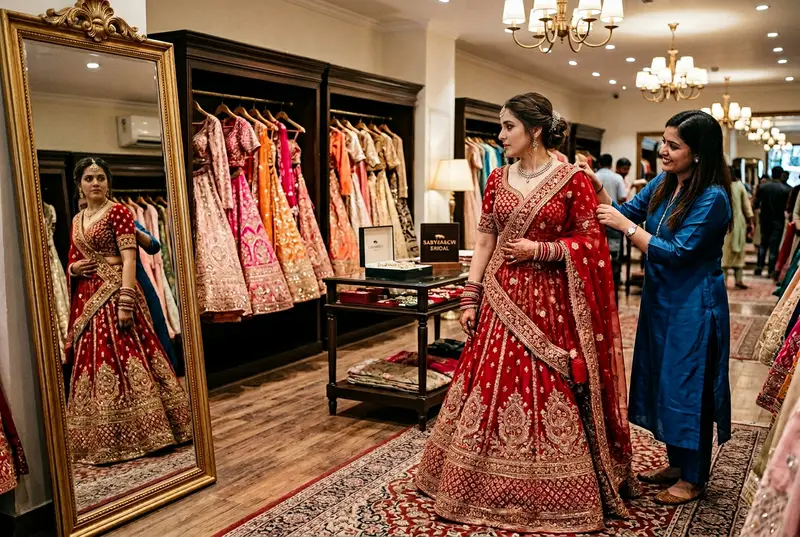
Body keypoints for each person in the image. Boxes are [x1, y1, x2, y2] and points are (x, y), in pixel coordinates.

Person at [416, 92, 637, 533]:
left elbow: (591, 241)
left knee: (550, 384)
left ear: (534, 130)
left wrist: (542, 249)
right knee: (488, 384)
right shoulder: (497, 178)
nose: (500, 136)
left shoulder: (572, 179)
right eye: (500, 126)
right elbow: (485, 240)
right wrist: (470, 294)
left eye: (508, 127)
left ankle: (555, 488)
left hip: (551, 304)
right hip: (500, 298)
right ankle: (475, 484)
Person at [589, 110, 732, 505]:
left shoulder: (713, 198)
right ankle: (676, 463)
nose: (663, 151)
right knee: (663, 382)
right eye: (663, 142)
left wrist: (625, 228)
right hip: (660, 299)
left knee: (689, 386)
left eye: (673, 145)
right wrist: (594, 185)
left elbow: (677, 251)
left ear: (698, 153)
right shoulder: (664, 183)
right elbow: (626, 212)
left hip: (694, 305)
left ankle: (694, 476)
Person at [65, 157, 191, 465]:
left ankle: (151, 430)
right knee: (94, 362)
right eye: (89, 178)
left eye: (100, 177)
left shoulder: (119, 212)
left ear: (108, 182)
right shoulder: (77, 220)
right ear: (79, 184)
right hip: (88, 298)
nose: (96, 183)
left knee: (128, 354)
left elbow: (130, 257)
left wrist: (126, 299)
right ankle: (100, 438)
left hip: (116, 292)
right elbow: (72, 256)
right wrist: (73, 269)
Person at [754, 166, 791, 278]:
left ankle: (759, 266)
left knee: (763, 244)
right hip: (778, 220)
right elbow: (787, 207)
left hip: (764, 219)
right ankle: (771, 270)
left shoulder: (763, 187)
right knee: (774, 246)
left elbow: (756, 203)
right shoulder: (785, 189)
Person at [723, 167, 754, 289]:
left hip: (736, 223)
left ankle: (738, 280)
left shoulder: (738, 185)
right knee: (724, 254)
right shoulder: (720, 185)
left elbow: (746, 205)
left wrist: (750, 221)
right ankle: (724, 281)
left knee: (737, 252)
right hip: (725, 224)